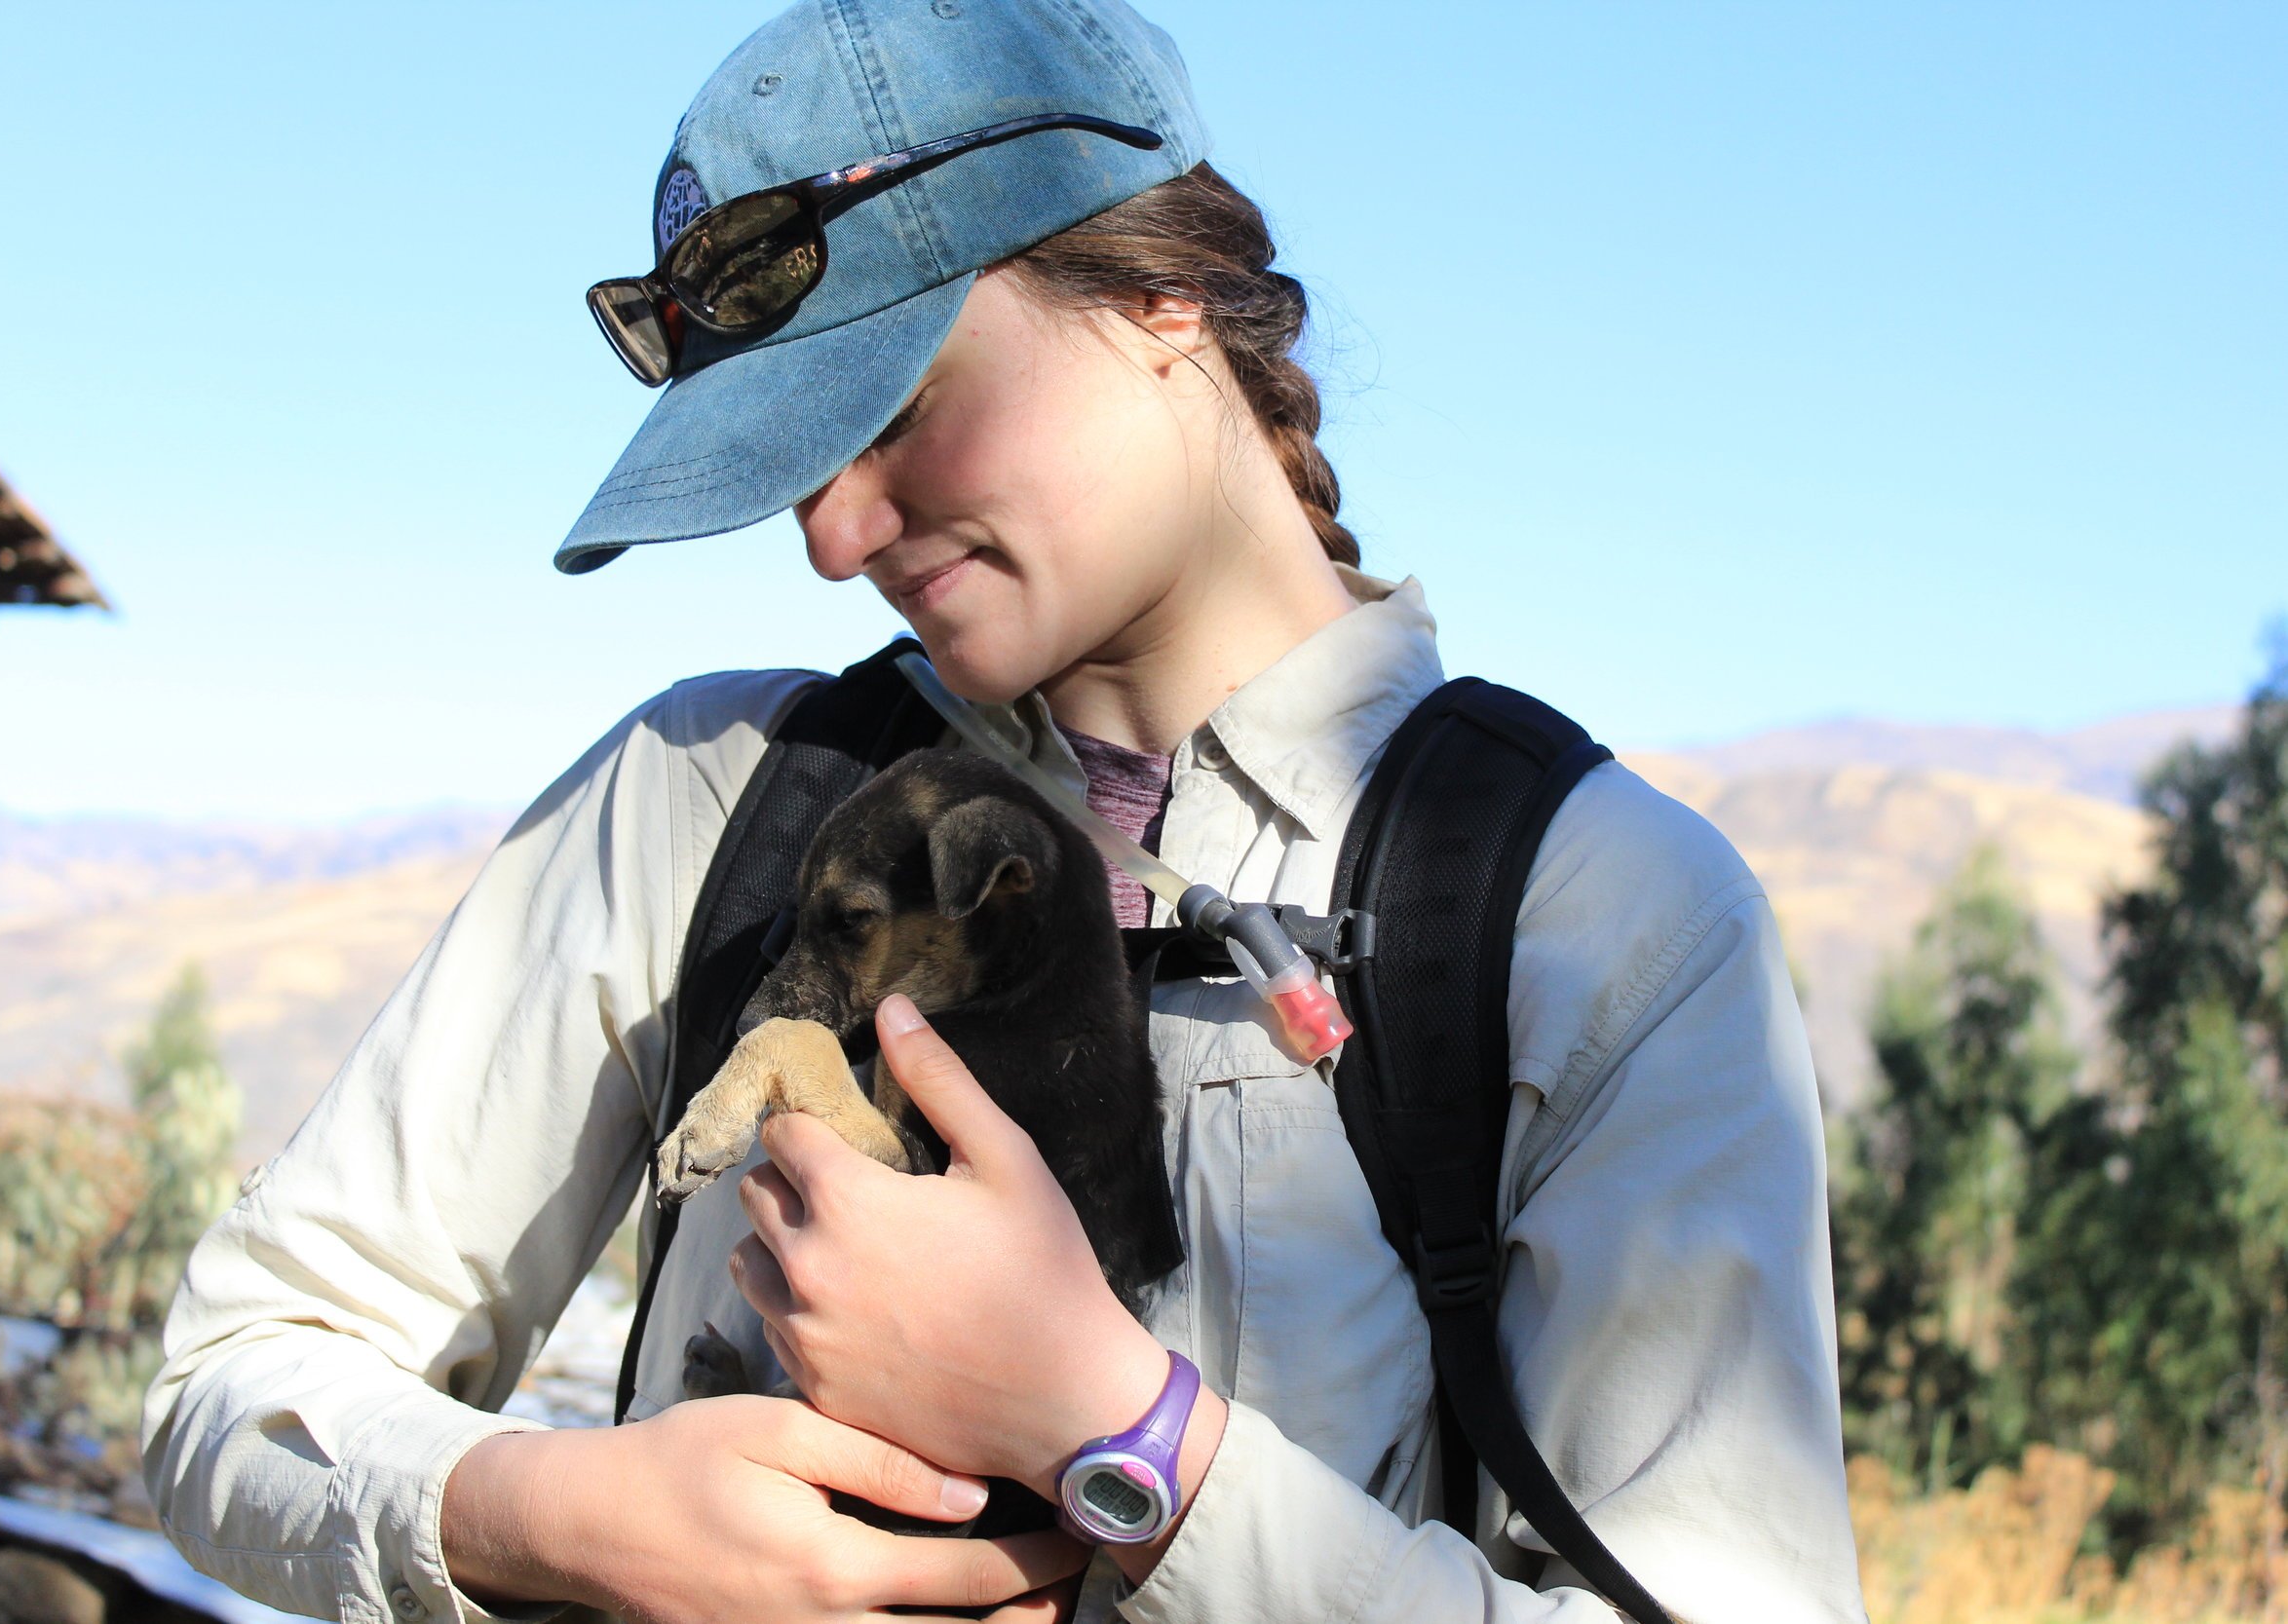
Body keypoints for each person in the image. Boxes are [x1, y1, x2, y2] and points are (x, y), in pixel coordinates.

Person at [141, 2, 1868, 1620]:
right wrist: (568, 1523)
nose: (831, 538)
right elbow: (239, 1380)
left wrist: (1120, 1432)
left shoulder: (1600, 924)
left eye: (888, 404)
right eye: (785, 466)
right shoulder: (708, 802)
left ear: (1162, 294)